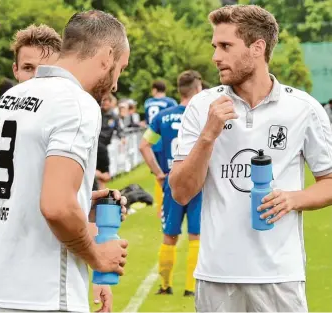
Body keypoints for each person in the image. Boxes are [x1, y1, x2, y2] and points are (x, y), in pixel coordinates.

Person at [169, 5, 332, 312]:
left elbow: (329, 181)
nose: (216, 56)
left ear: (258, 48)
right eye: (215, 46)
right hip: (216, 276)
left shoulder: (303, 109)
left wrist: (294, 198)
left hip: (280, 277)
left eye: (226, 46)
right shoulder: (202, 106)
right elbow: (180, 191)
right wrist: (208, 136)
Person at [0, 10, 130, 313]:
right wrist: (98, 257)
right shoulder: (77, 102)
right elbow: (57, 206)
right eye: (120, 69)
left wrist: (82, 200)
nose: (115, 84)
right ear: (107, 55)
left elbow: (20, 190)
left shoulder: (13, 97)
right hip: (41, 295)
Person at [140, 70, 203, 296]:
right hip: (197, 182)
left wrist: (158, 173)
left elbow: (144, 145)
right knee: (196, 236)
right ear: (197, 89)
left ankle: (165, 286)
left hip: (171, 180)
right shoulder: (202, 115)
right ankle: (190, 288)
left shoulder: (163, 117)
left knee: (169, 235)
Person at [144, 80, 178, 217]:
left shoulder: (148, 103)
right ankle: (172, 203)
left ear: (154, 89)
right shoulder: (170, 102)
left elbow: (148, 122)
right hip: (166, 142)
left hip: (152, 141)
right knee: (170, 173)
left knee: (158, 175)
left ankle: (160, 208)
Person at [96, 94, 126, 190]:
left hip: (103, 148)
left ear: (110, 102)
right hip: (95, 145)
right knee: (103, 174)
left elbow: (119, 130)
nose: (104, 103)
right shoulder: (96, 113)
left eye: (106, 100)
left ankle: (100, 192)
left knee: (105, 176)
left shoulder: (114, 117)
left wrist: (122, 137)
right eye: (102, 100)